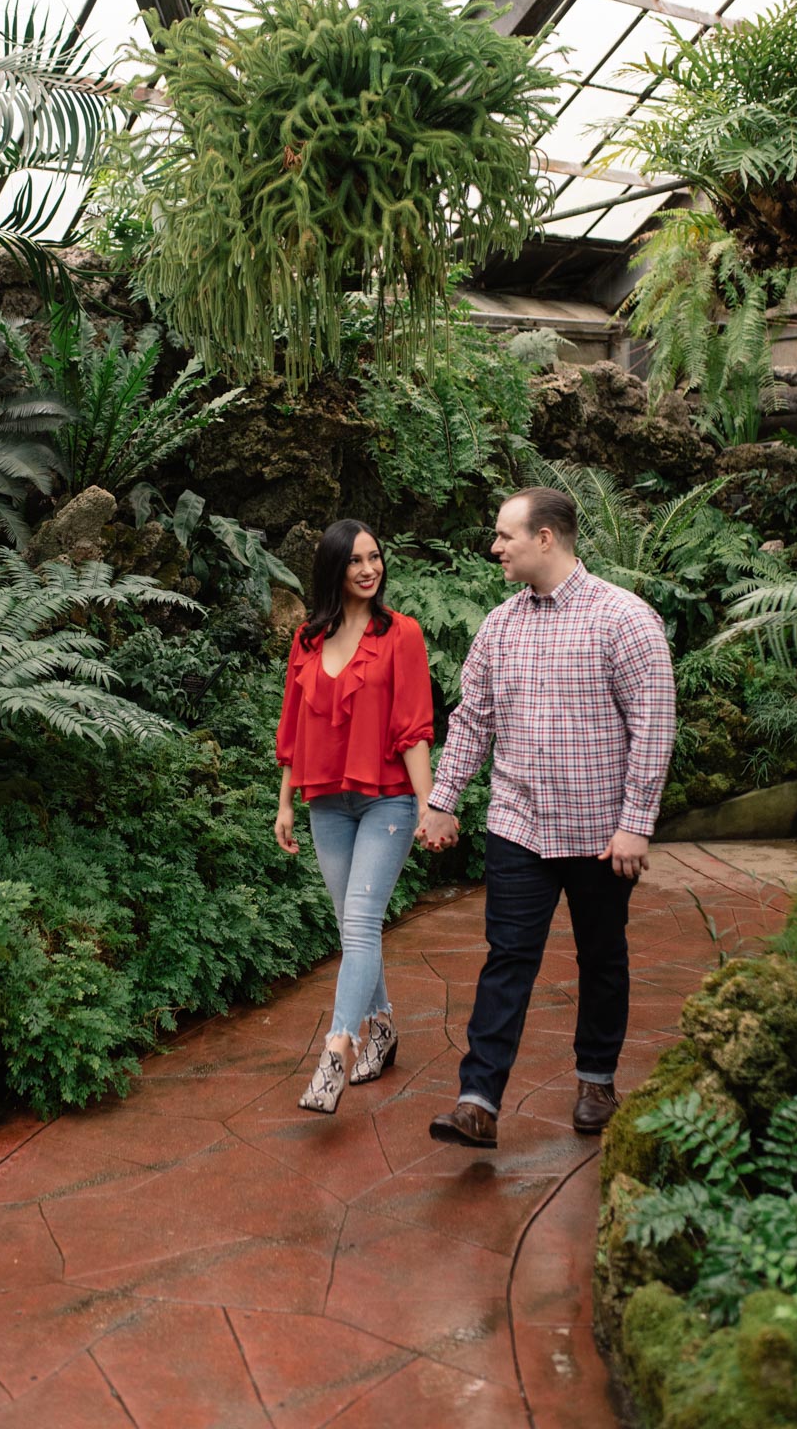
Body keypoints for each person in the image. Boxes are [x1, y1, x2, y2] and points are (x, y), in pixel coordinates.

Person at [418, 487, 676, 1148]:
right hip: (518, 826)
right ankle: (477, 1099)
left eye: (505, 535)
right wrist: (442, 799)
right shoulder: (499, 626)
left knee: (601, 957)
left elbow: (652, 725)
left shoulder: (624, 619)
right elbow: (472, 720)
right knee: (506, 959)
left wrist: (635, 821)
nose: (494, 547)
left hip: (599, 833)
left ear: (546, 538)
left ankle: (595, 1080)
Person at [275, 519, 436, 1114]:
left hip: (387, 798)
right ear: (334, 569)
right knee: (352, 927)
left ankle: (338, 1047)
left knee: (362, 923)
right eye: (356, 561)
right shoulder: (308, 640)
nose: (370, 569)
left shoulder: (402, 635)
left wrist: (427, 803)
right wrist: (285, 800)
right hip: (326, 802)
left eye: (376, 557)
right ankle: (385, 1029)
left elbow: (415, 727)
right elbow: (293, 725)